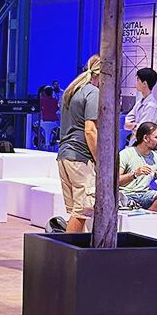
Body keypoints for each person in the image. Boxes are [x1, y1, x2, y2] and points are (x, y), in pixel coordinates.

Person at [55, 55, 101, 233]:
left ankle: (71, 248)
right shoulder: (93, 92)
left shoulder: (72, 90)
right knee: (81, 212)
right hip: (80, 158)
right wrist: (99, 160)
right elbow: (90, 130)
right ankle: (67, 250)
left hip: (65, 156)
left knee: (77, 211)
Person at [117, 122, 157, 211]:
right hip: (125, 194)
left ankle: (148, 212)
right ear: (146, 138)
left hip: (145, 194)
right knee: (120, 198)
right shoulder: (125, 154)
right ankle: (131, 205)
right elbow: (116, 181)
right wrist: (134, 174)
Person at [123, 67, 157, 136]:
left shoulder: (151, 106)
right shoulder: (139, 102)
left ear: (144, 84)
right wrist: (135, 125)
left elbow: (142, 130)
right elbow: (127, 122)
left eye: (138, 80)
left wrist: (133, 125)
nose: (136, 83)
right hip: (135, 140)